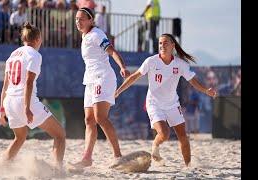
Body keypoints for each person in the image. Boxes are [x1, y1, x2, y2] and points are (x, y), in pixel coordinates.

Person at [115, 33, 217, 167]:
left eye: (165, 43)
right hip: (154, 104)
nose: (162, 45)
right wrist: (118, 91)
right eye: (160, 43)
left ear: (172, 46)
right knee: (164, 133)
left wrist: (206, 90)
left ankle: (188, 166)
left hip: (172, 104)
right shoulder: (151, 61)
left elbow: (193, 81)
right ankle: (155, 146)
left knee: (183, 137)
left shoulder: (180, 64)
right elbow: (134, 77)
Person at [0, 22, 66, 171]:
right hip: (24, 102)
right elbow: (29, 82)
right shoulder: (35, 54)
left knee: (20, 138)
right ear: (37, 39)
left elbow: (5, 86)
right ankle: (57, 171)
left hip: (9, 101)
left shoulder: (12, 55)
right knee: (60, 135)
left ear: (24, 39)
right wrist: (27, 108)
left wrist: (2, 111)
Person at [72, 7, 130, 168]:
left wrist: (122, 67)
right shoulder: (85, 35)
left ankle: (118, 155)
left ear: (91, 20)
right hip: (90, 80)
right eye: (76, 19)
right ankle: (87, 158)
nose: (78, 21)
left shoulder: (97, 34)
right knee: (89, 120)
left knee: (100, 118)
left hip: (102, 78)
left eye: (82, 19)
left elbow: (112, 51)